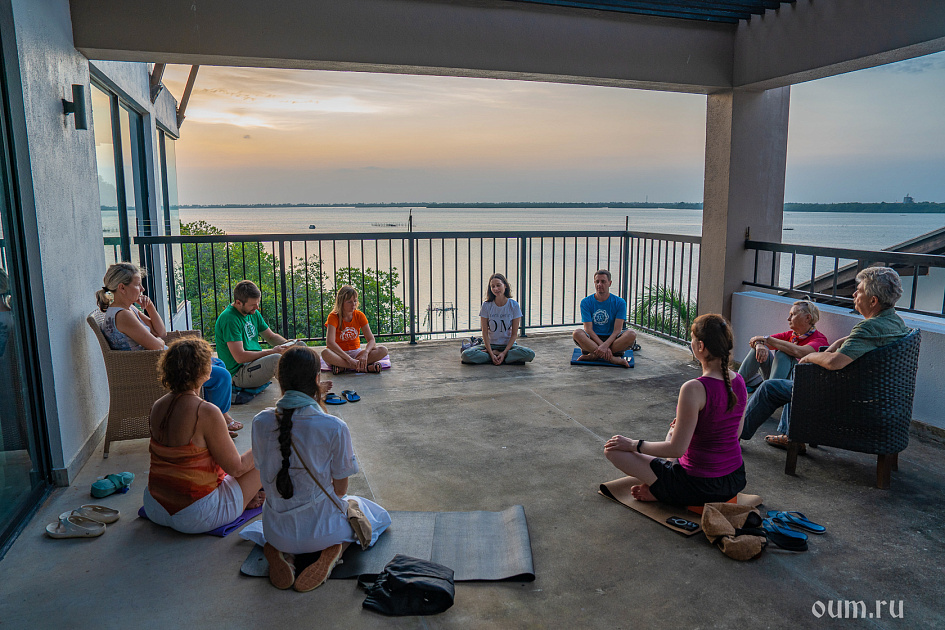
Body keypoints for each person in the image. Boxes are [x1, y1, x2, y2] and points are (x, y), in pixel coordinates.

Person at [252, 346, 391, 591]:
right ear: (317, 379)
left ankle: (284, 553)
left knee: (270, 521)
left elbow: (262, 473)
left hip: (275, 529)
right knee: (375, 515)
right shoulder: (334, 426)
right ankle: (334, 551)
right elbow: (340, 490)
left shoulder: (260, 421)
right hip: (323, 531)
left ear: (279, 380)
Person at [741, 267, 911, 449]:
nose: (854, 294)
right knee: (798, 379)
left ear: (873, 300)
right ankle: (789, 434)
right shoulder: (896, 323)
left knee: (770, 387)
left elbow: (833, 362)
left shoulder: (868, 328)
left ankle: (732, 435)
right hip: (875, 399)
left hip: (843, 400)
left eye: (859, 290)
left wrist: (811, 357)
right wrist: (841, 340)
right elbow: (868, 341)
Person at [603, 314, 746, 505]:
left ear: (701, 347)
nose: (692, 344)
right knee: (673, 431)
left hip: (699, 486)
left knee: (612, 450)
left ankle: (662, 490)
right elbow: (736, 433)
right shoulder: (739, 381)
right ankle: (663, 484)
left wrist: (632, 444)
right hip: (735, 479)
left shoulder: (694, 388)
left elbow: (677, 450)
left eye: (693, 340)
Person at [95, 262, 242, 435]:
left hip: (154, 362)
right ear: (122, 288)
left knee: (218, 363)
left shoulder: (128, 310)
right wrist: (157, 339)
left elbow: (161, 332)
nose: (142, 289)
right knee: (221, 375)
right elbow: (157, 344)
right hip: (153, 371)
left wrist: (149, 307)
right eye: (138, 284)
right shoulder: (124, 316)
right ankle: (216, 424)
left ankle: (215, 417)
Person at [143, 338, 264, 534]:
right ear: (204, 372)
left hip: (155, 506)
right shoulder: (206, 411)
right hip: (195, 515)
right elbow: (237, 468)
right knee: (268, 457)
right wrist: (268, 444)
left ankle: (242, 497)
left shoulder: (158, 405)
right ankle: (243, 500)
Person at [215, 280, 301, 389]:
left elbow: (270, 337)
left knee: (300, 347)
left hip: (254, 364)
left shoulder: (252, 312)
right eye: (252, 305)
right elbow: (240, 357)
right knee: (276, 359)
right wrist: (271, 351)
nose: (257, 308)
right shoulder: (229, 319)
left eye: (257, 303)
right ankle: (300, 392)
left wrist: (288, 345)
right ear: (238, 303)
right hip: (239, 374)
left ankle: (310, 383)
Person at [737, 300, 828, 392]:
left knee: (783, 353)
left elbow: (799, 352)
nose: (788, 318)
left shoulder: (819, 340)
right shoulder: (791, 335)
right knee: (757, 350)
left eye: (793, 315)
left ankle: (769, 394)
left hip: (799, 385)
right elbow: (754, 341)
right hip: (778, 380)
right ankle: (733, 386)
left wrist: (766, 339)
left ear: (808, 318)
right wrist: (759, 345)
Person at [462, 273, 535, 365]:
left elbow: (514, 334)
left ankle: (499, 356)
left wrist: (503, 352)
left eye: (498, 285)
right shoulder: (486, 305)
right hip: (490, 345)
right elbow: (484, 333)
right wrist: (491, 352)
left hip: (509, 346)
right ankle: (499, 357)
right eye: (493, 286)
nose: (496, 289)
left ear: (505, 285)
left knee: (529, 354)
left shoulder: (514, 305)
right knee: (466, 355)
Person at [573, 269, 636, 367]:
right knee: (577, 333)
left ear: (610, 283)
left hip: (613, 340)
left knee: (631, 334)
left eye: (603, 282)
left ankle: (594, 355)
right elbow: (588, 330)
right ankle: (612, 359)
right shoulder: (586, 302)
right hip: (593, 339)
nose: (599, 284)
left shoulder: (620, 302)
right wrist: (602, 346)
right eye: (597, 282)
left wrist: (605, 346)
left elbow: (617, 330)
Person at [321, 285, 389, 375]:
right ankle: (364, 368)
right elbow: (330, 343)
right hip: (338, 354)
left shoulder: (359, 315)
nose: (353, 304)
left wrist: (365, 353)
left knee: (383, 350)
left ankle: (344, 367)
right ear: (341, 303)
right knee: (325, 353)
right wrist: (349, 359)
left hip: (356, 353)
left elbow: (371, 340)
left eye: (355, 301)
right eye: (349, 302)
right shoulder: (333, 317)